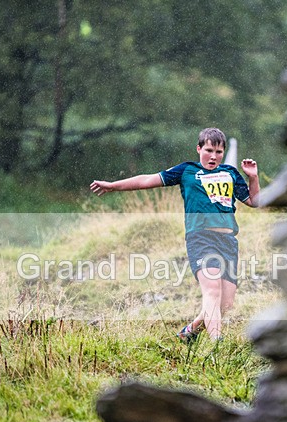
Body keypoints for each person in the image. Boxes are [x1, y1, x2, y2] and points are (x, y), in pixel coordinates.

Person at [90, 127, 261, 342]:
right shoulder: (186, 171)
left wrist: (253, 178)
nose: (213, 156)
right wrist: (113, 186)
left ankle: (189, 332)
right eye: (208, 150)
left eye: (218, 152)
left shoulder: (230, 173)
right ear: (199, 149)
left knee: (225, 305)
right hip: (201, 238)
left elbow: (254, 202)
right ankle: (216, 344)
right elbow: (146, 180)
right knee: (212, 292)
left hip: (228, 242)